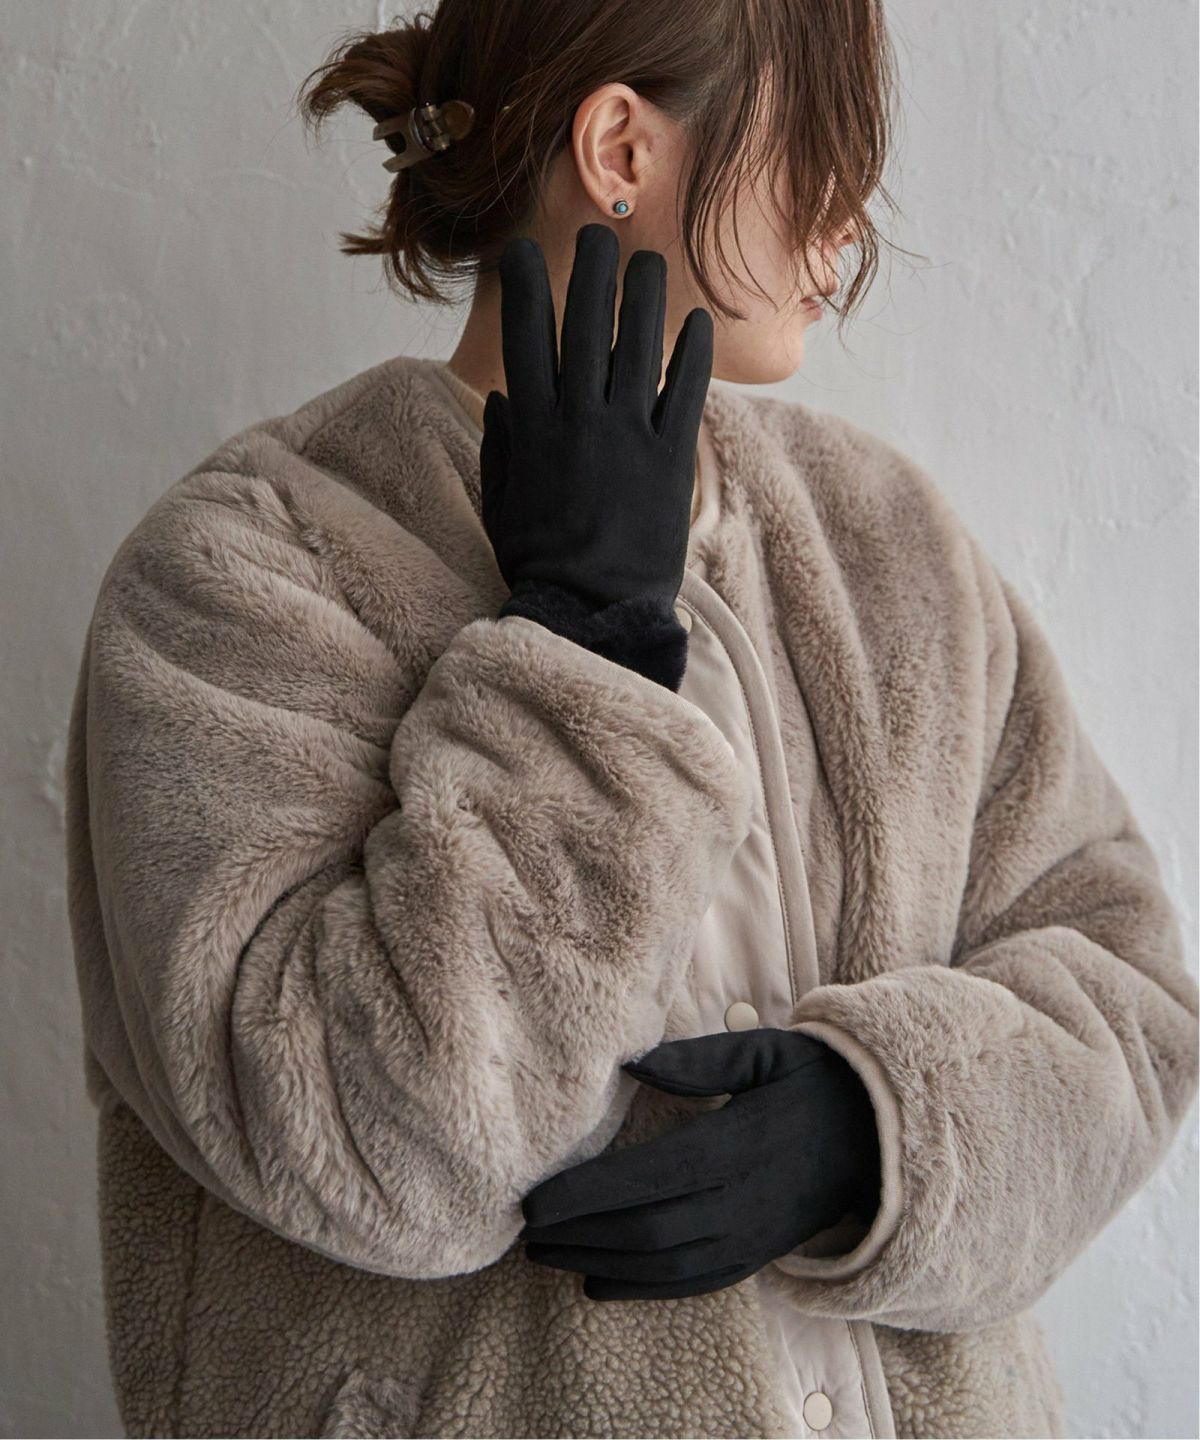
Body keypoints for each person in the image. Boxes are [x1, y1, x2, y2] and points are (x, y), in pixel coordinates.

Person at [64, 4, 1198, 1437]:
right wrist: (582, 647)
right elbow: (365, 1148)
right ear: (619, 149)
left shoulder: (888, 540)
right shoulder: (248, 570)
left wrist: (882, 1130)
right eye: (822, 141)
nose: (853, 215)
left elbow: (1129, 993)